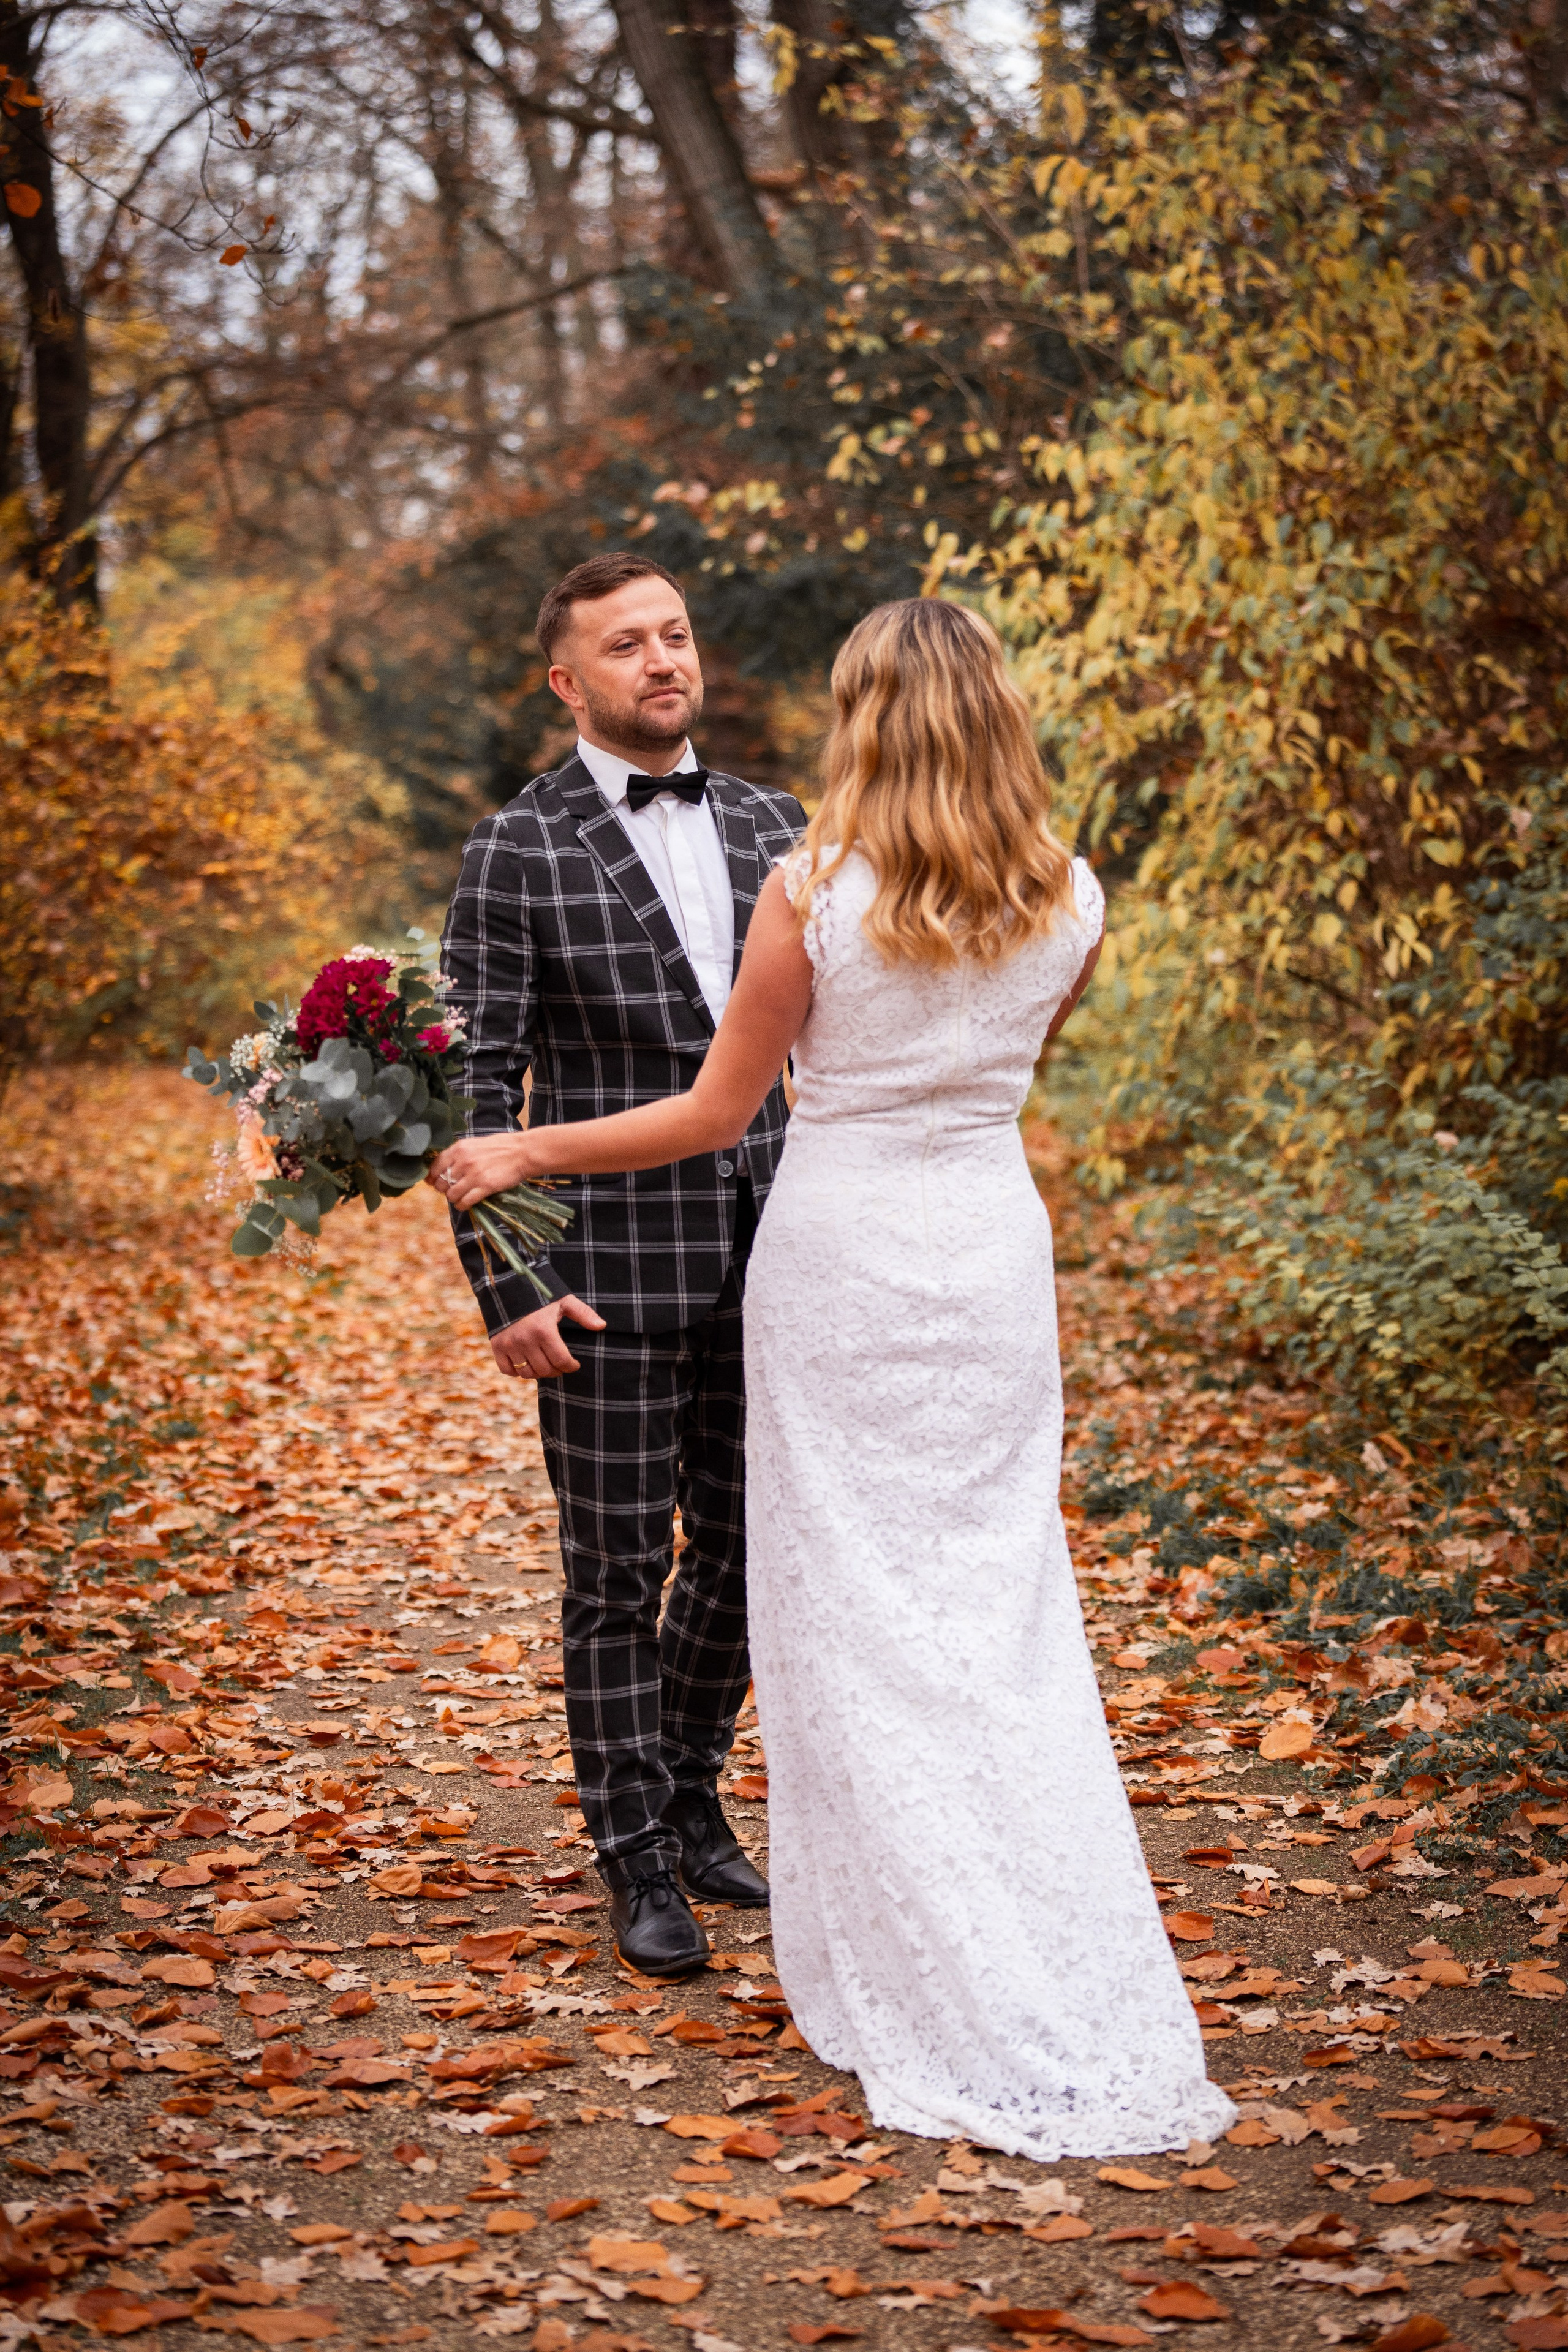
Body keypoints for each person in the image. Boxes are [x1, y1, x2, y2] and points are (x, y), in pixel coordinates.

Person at [433, 597, 1237, 2159]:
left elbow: (724, 1109)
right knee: (994, 1593)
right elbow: (997, 1075)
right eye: (632, 641)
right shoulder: (1073, 895)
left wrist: (526, 1145)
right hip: (990, 1259)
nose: (671, 659)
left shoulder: (808, 878)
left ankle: (896, 1923)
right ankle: (780, 1860)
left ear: (863, 717)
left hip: (836, 1256)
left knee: (839, 1591)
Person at [434, 551, 804, 1978]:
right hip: (600, 1269)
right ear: (567, 681)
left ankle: (691, 1788)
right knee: (612, 1573)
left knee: (752, 1553)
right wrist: (508, 1286)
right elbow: (480, 1087)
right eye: (627, 645)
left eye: (675, 636)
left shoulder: (781, 823)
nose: (663, 661)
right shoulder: (515, 846)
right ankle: (632, 1855)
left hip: (781, 1255)